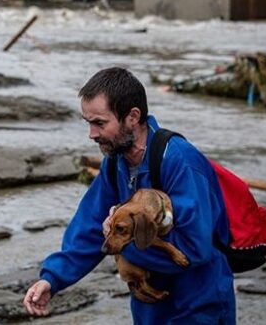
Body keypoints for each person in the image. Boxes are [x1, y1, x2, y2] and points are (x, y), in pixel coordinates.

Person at [23, 67, 235, 324]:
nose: (91, 134)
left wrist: (122, 244)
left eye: (100, 123)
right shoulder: (115, 162)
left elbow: (194, 249)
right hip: (149, 307)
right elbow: (91, 225)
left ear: (132, 116)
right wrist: (52, 279)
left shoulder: (179, 161)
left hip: (198, 304)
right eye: (88, 122)